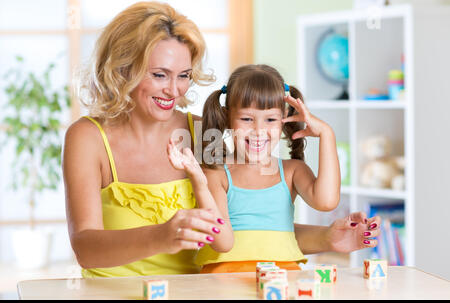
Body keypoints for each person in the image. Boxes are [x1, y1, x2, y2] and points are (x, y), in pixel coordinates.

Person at [63, 1, 380, 278]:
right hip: (113, 291)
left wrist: (327, 238)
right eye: (159, 74)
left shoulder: (205, 133)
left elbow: (248, 228)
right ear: (123, 68)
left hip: (200, 293)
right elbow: (85, 248)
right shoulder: (89, 138)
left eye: (184, 75)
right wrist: (163, 236)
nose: (174, 91)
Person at [168, 64, 380, 273]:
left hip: (283, 280)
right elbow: (222, 243)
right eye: (246, 119)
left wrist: (326, 133)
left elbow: (326, 202)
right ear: (227, 117)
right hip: (225, 280)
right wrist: (199, 182)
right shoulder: (216, 174)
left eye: (270, 119)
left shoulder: (292, 170)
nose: (259, 130)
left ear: (284, 117)